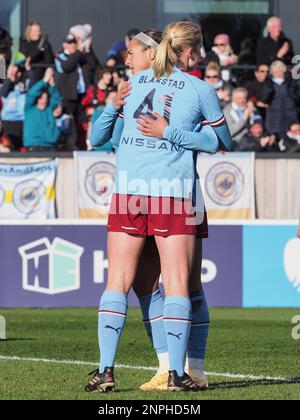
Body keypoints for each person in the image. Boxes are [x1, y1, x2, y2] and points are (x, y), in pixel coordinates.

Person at [86, 22, 232, 393]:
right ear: (192, 51)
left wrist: (115, 108)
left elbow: (95, 140)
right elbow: (220, 142)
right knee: (179, 285)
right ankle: (176, 372)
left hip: (131, 192)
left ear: (156, 50)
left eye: (131, 52)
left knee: (124, 283)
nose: (128, 59)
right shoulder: (198, 88)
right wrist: (169, 132)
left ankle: (109, 371)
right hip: (175, 192)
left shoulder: (136, 84)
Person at [23, 67, 62, 150]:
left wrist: (52, 84)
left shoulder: (49, 109)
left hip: (50, 146)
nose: (44, 101)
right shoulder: (29, 109)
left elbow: (56, 98)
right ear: (37, 99)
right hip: (34, 146)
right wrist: (44, 80)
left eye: (46, 98)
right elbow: (31, 94)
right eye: (42, 98)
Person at [261, 60, 300, 139]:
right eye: (275, 72)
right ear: (272, 73)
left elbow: (297, 99)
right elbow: (264, 99)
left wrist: (291, 88)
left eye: (280, 71)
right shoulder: (268, 83)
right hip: (274, 118)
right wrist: (269, 87)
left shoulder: (291, 82)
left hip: (290, 117)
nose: (278, 74)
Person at [0, 64, 27, 151]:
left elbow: (23, 89)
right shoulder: (5, 86)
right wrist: (9, 78)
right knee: (9, 145)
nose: (13, 74)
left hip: (20, 121)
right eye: (11, 71)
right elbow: (3, 92)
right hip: (7, 121)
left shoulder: (22, 84)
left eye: (16, 72)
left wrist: (15, 79)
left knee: (20, 146)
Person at [20, 22, 54, 88]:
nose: (38, 33)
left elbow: (49, 62)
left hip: (43, 77)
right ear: (29, 32)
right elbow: (27, 60)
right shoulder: (24, 44)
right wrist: (39, 49)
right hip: (28, 77)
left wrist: (45, 48)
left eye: (39, 31)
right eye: (35, 31)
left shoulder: (45, 44)